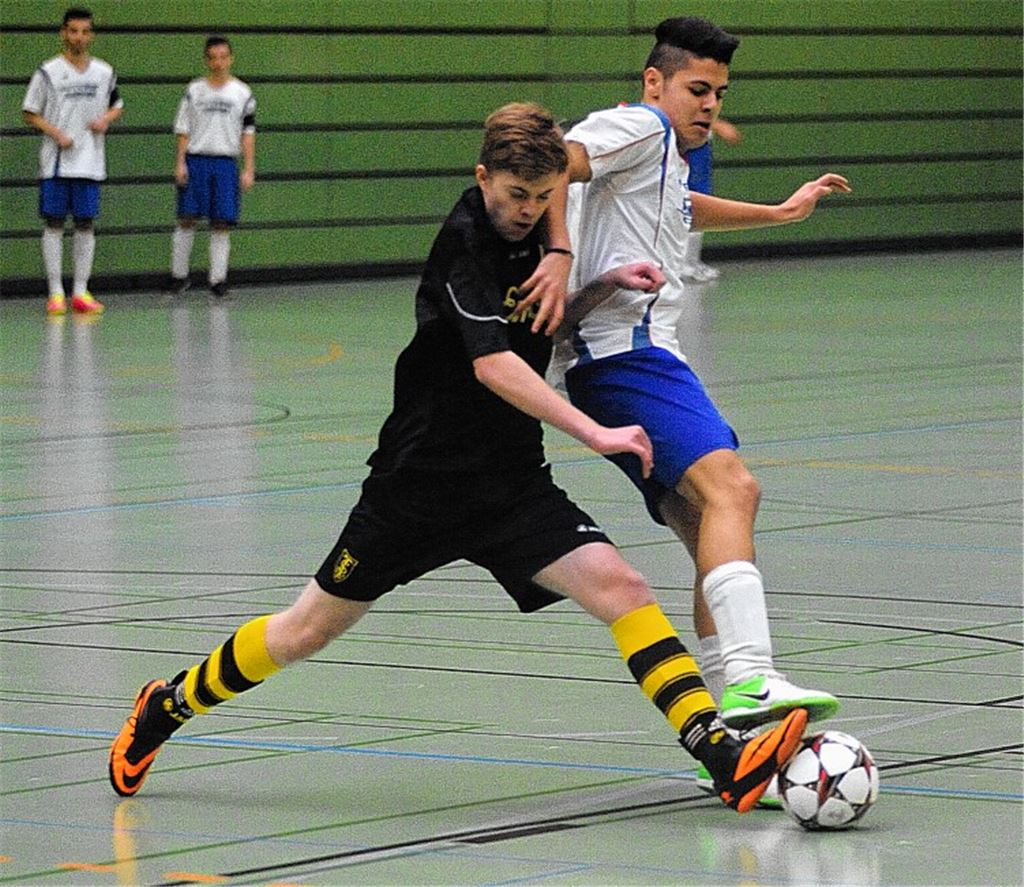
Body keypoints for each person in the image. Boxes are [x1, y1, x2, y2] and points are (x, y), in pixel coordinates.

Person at [109, 102, 808, 815]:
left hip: (510, 485)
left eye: (543, 198)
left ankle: (720, 753)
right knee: (304, 630)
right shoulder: (464, 243)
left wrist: (602, 284)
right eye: (516, 196)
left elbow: (541, 320)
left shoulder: (544, 237)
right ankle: (167, 704)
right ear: (483, 178)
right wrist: (592, 432)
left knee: (623, 587)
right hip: (417, 488)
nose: (529, 211)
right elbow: (495, 363)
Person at [553, 16, 851, 735]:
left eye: (719, 91)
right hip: (624, 353)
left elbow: (681, 209)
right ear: (654, 82)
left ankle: (734, 731)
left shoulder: (662, 154)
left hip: (622, 356)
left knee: (705, 524)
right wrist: (556, 253)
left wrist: (779, 211)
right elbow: (555, 157)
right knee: (735, 490)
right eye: (697, 88)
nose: (710, 104)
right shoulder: (640, 129)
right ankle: (750, 676)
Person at [21, 7, 123, 316]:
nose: (78, 37)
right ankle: (55, 292)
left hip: (90, 161)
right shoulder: (48, 71)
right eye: (72, 31)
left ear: (91, 35)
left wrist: (106, 118)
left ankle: (80, 291)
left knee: (85, 224)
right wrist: (56, 133)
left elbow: (117, 104)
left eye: (84, 31)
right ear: (63, 33)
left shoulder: (104, 72)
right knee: (53, 223)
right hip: (56, 161)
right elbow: (29, 112)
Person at [167, 36, 256, 298]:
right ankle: (178, 277)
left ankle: (218, 280)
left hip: (226, 163)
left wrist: (248, 168)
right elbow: (183, 128)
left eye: (223, 57)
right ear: (206, 60)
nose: (218, 63)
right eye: (213, 58)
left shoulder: (243, 93)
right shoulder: (194, 90)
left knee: (221, 222)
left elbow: (248, 132)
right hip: (196, 160)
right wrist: (180, 162)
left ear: (231, 59)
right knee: (187, 218)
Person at [681, 116, 743, 281]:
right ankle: (686, 266)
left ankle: (691, 263)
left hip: (699, 145)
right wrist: (717, 125)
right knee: (693, 202)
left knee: (697, 201)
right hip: (691, 146)